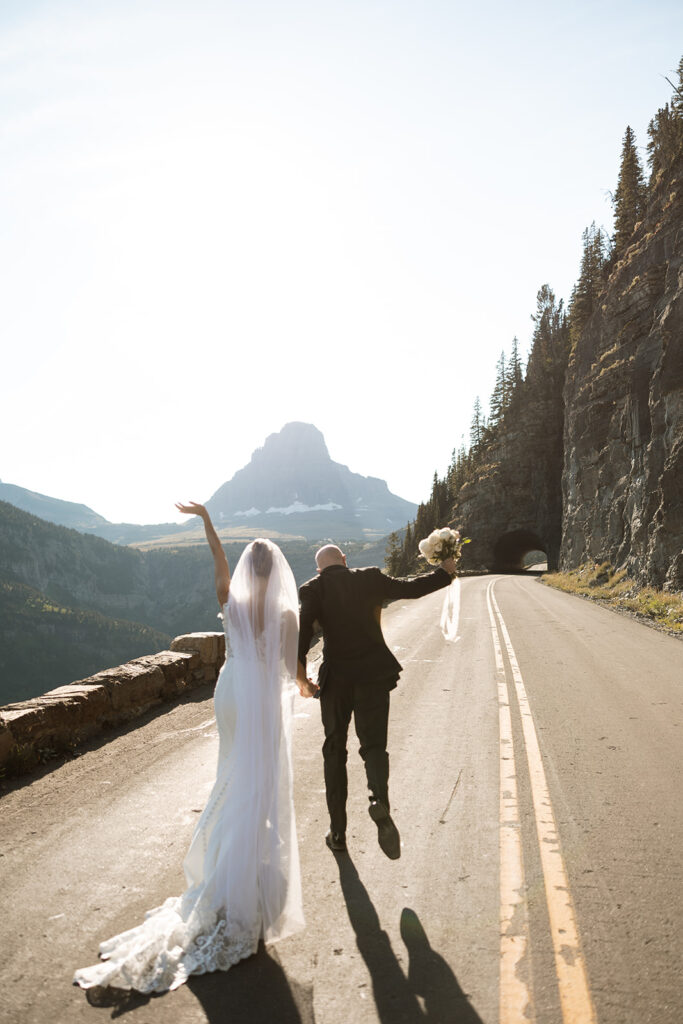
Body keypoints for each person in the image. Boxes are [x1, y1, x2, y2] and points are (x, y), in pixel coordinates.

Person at [73, 502, 305, 994]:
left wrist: (207, 521)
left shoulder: (232, 600)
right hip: (261, 697)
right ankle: (247, 890)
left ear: (247, 569)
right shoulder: (285, 613)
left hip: (230, 695)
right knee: (257, 784)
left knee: (231, 775)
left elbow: (219, 564)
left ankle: (227, 877)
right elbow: (287, 671)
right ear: (278, 571)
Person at [297, 544, 457, 860]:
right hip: (372, 674)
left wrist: (301, 679)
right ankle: (378, 799)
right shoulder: (369, 576)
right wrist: (445, 573)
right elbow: (410, 589)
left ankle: (338, 832)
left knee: (334, 750)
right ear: (344, 561)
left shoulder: (313, 588)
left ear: (319, 569)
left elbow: (301, 633)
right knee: (373, 746)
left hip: (336, 680)